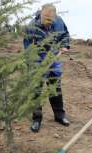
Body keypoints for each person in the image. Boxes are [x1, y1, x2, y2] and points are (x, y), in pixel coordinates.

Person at [23, 3, 70, 133]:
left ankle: (59, 115)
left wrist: (65, 45)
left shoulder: (59, 22)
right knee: (36, 89)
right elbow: (28, 47)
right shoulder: (32, 26)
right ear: (41, 14)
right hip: (37, 56)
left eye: (50, 20)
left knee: (55, 86)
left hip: (53, 56)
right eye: (46, 19)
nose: (48, 22)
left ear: (55, 17)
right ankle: (37, 118)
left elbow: (65, 35)